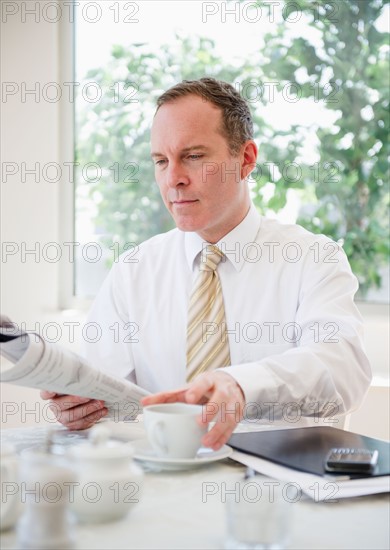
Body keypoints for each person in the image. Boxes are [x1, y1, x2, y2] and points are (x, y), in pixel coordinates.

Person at [41, 78, 371, 450]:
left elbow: (342, 371)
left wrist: (242, 385)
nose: (173, 179)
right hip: (168, 485)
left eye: (194, 156)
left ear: (245, 159)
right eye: (161, 161)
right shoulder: (134, 270)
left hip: (279, 492)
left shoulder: (313, 259)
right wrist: (79, 406)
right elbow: (103, 390)